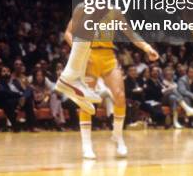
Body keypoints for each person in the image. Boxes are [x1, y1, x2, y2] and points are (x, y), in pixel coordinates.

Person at [64, 13, 159, 159]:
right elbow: (68, 34)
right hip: (89, 57)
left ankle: (118, 136)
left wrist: (147, 48)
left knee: (120, 95)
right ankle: (87, 145)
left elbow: (131, 33)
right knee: (86, 101)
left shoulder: (114, 11)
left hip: (108, 57)